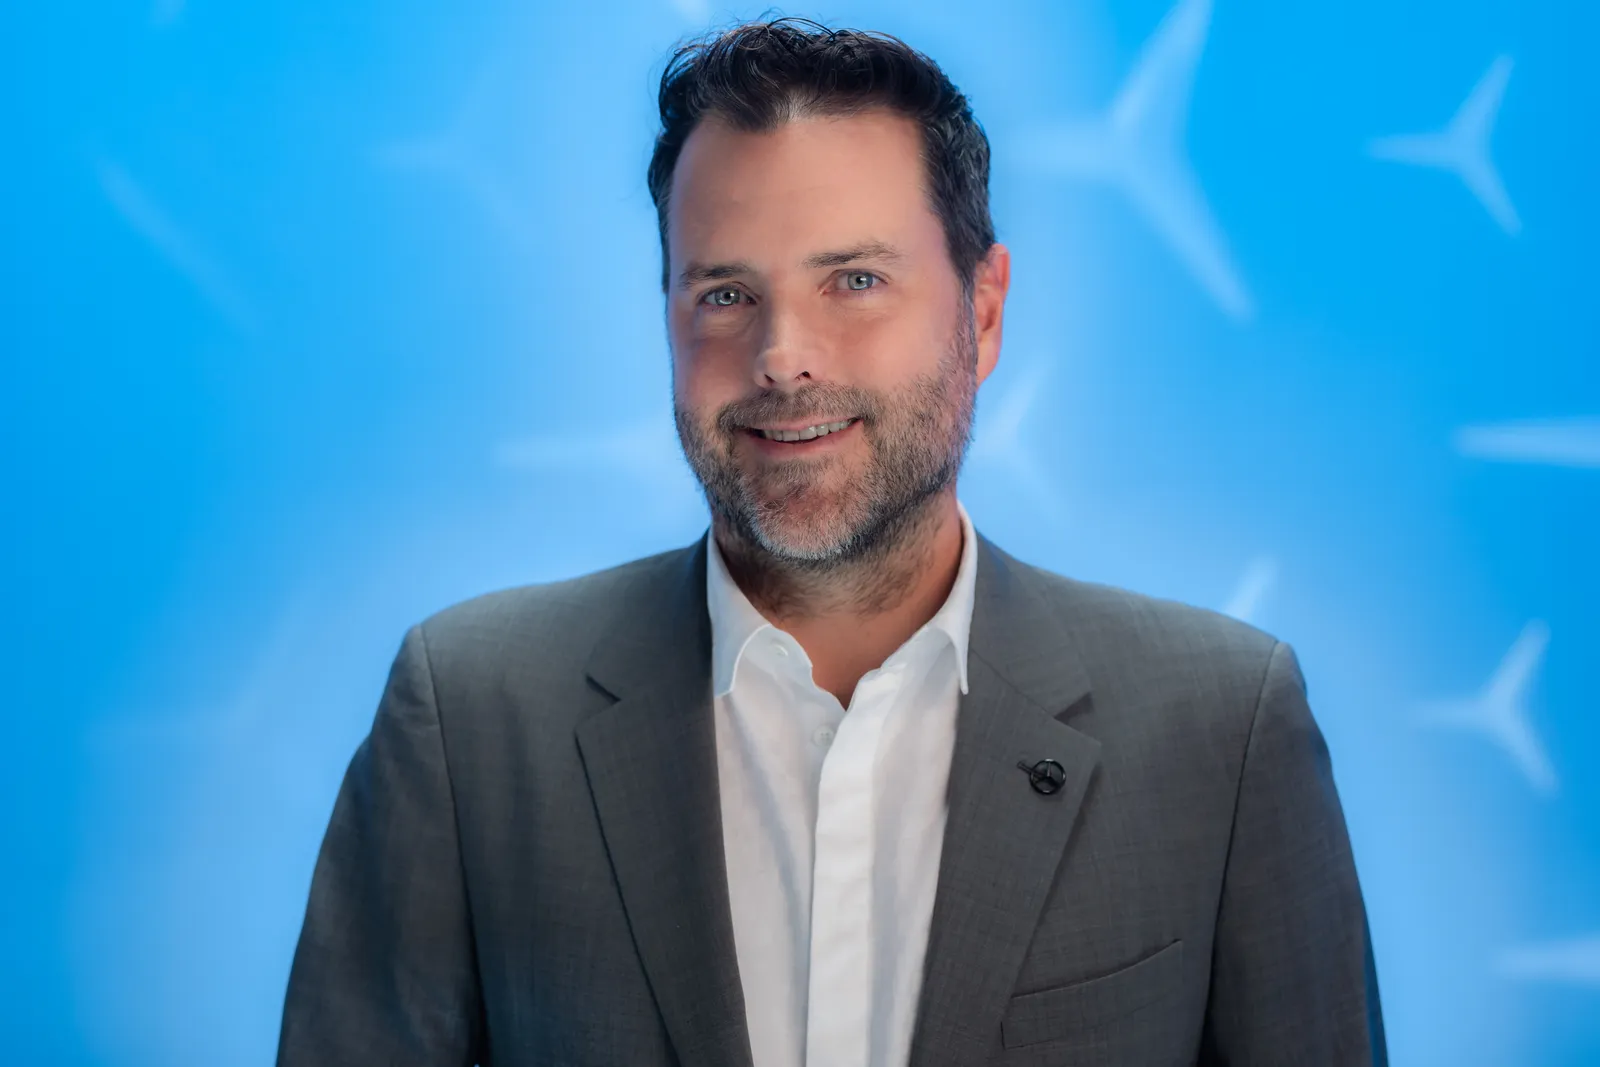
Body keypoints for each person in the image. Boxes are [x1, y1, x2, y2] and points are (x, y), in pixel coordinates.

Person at [277, 17, 1386, 1067]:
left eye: (853, 281)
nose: (782, 356)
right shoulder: (471, 718)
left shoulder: (1219, 731)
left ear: (983, 311)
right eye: (723, 293)